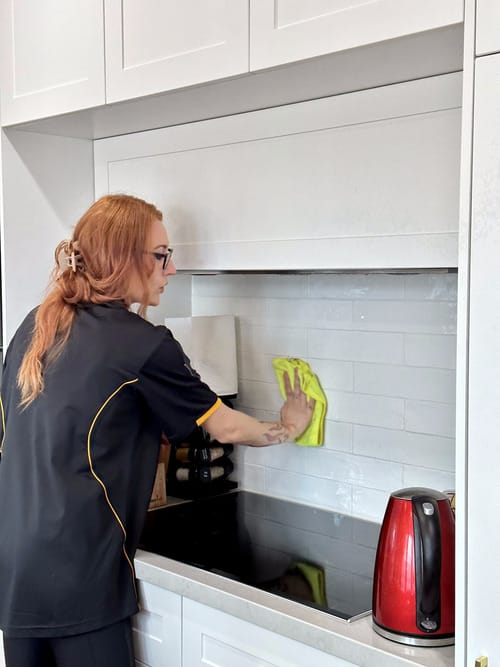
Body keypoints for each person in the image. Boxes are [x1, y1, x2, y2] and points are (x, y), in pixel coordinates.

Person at [0, 194, 314, 667]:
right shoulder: (143, 344)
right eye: (161, 255)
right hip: (80, 579)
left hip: (15, 571)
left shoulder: (34, 325)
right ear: (124, 257)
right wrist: (288, 426)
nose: (170, 269)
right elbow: (225, 427)